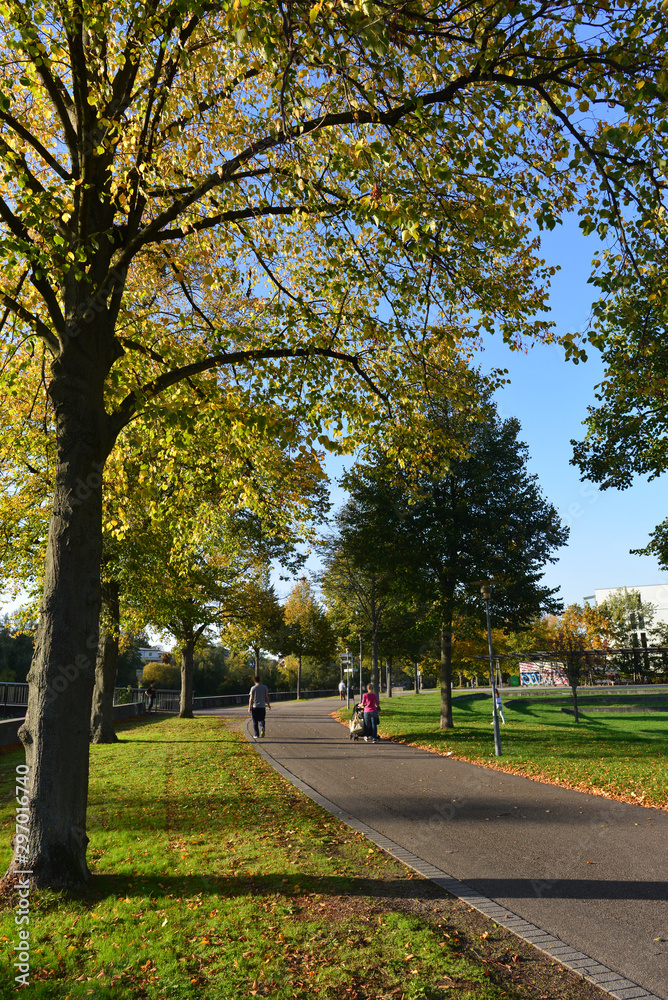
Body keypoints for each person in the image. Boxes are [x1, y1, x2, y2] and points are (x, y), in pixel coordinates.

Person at [248, 675, 271, 739]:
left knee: (255, 721)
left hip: (255, 707)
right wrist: (268, 705)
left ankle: (256, 734)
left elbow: (251, 698)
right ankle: (262, 727)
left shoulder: (253, 688)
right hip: (262, 706)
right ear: (260, 681)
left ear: (254, 681)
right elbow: (267, 697)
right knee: (262, 719)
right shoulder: (264, 687)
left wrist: (249, 707)